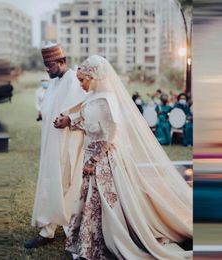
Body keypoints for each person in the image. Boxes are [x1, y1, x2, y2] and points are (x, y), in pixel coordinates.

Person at [59, 55, 192, 259]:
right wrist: (69, 121)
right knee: (92, 200)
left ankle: (109, 240)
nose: (81, 83)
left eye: (82, 79)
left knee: (106, 201)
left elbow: (111, 132)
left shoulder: (107, 99)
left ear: (93, 76)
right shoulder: (93, 96)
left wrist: (94, 160)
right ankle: (92, 239)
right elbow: (90, 123)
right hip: (92, 154)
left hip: (104, 159)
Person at [24, 43, 87, 249]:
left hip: (68, 145)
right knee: (52, 184)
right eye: (45, 65)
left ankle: (53, 229)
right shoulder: (53, 83)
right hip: (52, 145)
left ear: (61, 62)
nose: (47, 69)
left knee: (64, 185)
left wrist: (70, 118)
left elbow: (87, 109)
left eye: (49, 65)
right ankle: (50, 228)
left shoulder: (73, 81)